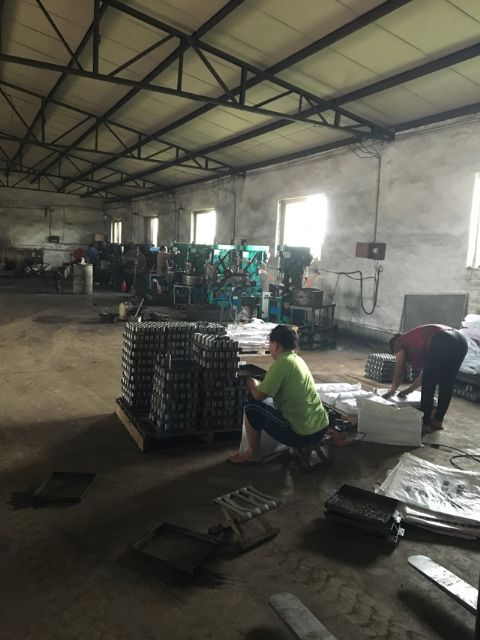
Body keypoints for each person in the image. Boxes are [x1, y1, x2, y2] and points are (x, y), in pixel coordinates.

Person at [230, 324, 329, 463]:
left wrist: (251, 382)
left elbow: (259, 395)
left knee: (252, 407)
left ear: (276, 344)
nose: (269, 347)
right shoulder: (297, 360)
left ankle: (253, 453)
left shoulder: (282, 363)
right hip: (321, 428)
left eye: (270, 343)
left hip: (302, 434)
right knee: (271, 403)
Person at [385, 324, 468, 431]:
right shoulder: (416, 340)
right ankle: (438, 421)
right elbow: (425, 373)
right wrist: (410, 389)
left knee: (429, 384)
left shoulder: (399, 342)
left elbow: (399, 370)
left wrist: (392, 390)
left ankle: (425, 423)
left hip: (443, 339)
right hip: (461, 341)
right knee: (447, 383)